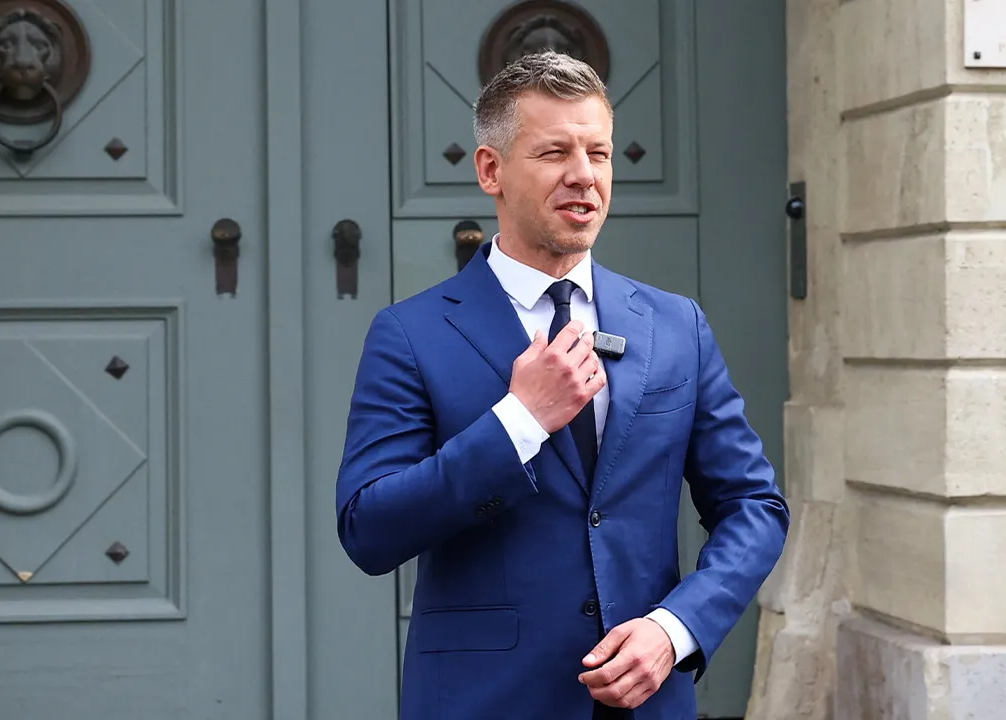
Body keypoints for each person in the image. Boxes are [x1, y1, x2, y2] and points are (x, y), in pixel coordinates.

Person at [334, 50, 790, 720]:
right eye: (554, 153)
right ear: (491, 170)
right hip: (483, 703)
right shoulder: (410, 333)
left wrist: (674, 630)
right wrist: (518, 421)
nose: (584, 176)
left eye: (598, 154)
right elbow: (369, 530)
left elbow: (754, 506)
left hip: (645, 701)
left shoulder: (675, 326)